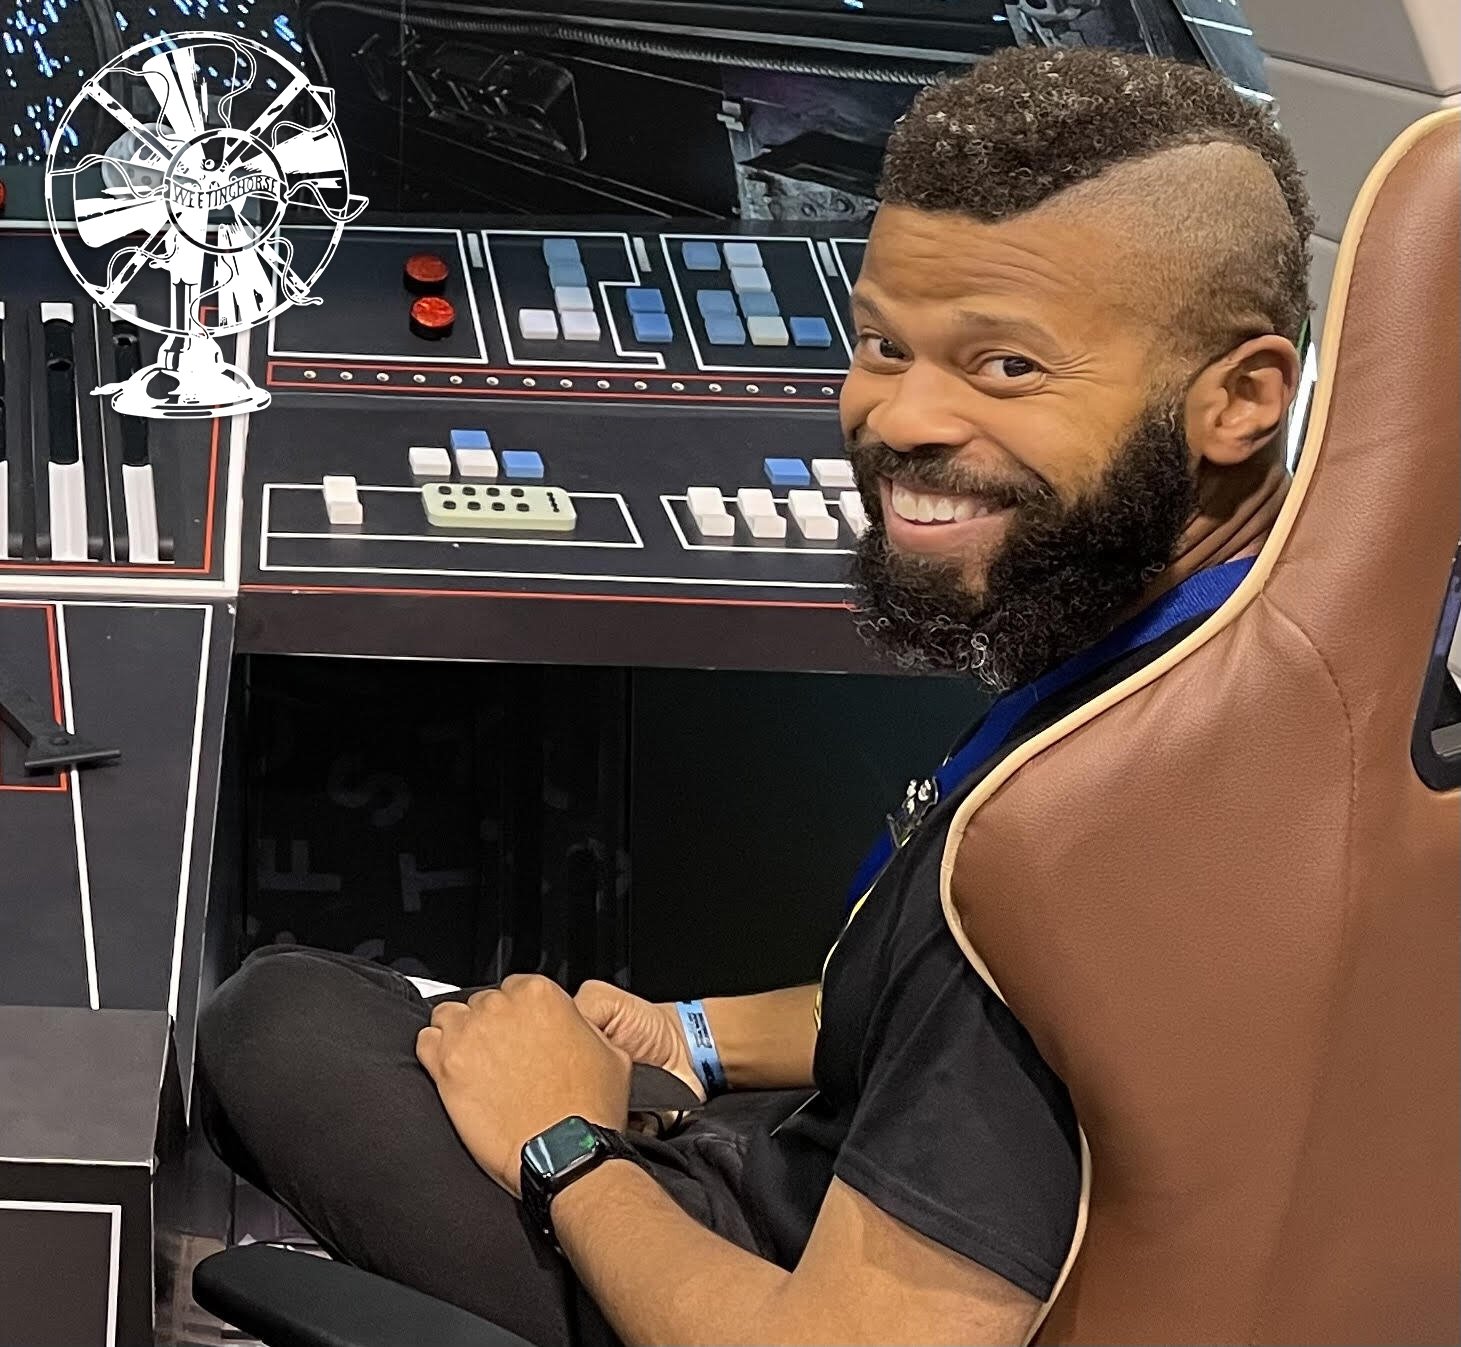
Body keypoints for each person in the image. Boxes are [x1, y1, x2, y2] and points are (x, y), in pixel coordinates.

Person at [196, 46, 1311, 1347]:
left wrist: (565, 1149)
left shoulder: (1069, 846)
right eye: (884, 343)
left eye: (1007, 367)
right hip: (861, 1176)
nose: (900, 421)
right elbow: (969, 1062)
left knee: (278, 1024)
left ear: (1238, 399)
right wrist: (689, 1040)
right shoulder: (1274, 663)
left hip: (777, 1295)